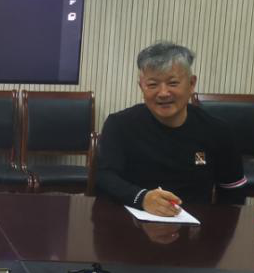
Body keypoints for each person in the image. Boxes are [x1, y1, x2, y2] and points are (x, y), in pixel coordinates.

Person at [96, 42, 246, 217]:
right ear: (141, 87)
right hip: (132, 222)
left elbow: (233, 190)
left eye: (173, 83)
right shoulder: (119, 124)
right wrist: (142, 198)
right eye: (153, 85)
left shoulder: (218, 131)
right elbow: (105, 177)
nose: (163, 93)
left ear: (191, 84)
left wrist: (217, 227)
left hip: (195, 226)